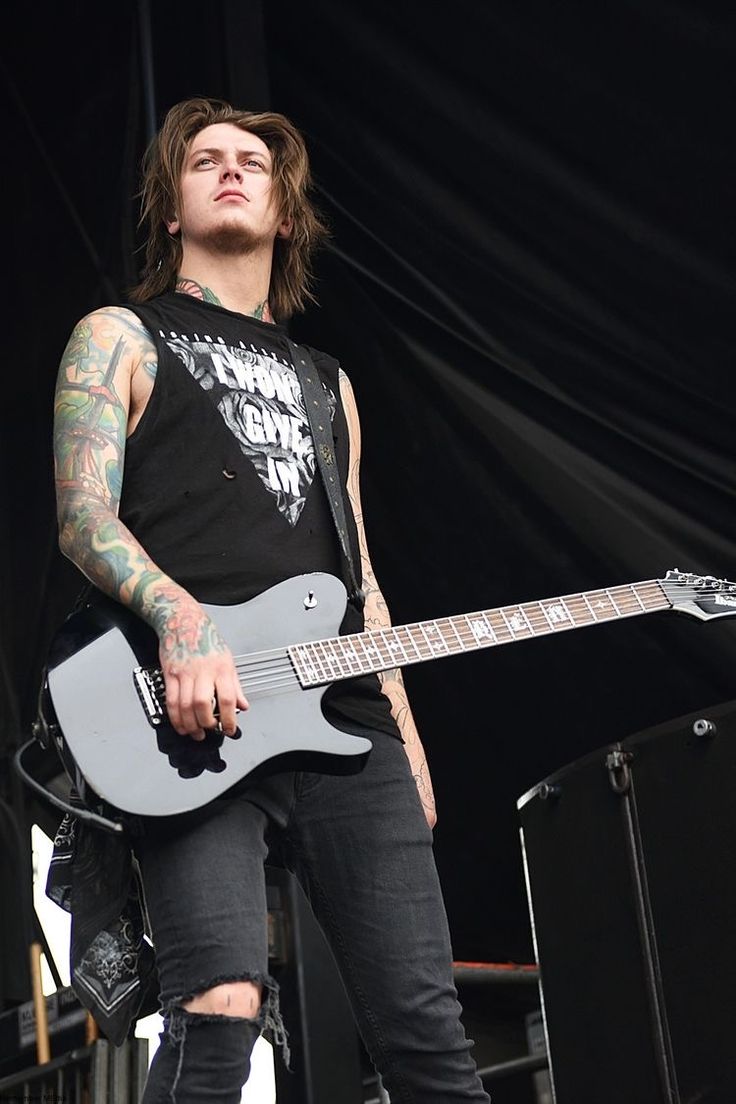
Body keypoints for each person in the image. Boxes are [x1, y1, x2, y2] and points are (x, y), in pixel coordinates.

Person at [49, 96, 490, 1103]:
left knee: (426, 1033)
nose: (232, 170)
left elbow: (360, 574)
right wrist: (181, 621)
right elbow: (82, 516)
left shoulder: (325, 382)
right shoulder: (118, 336)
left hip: (347, 722)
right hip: (193, 718)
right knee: (219, 1012)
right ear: (172, 207)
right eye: (205, 161)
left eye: (254, 162)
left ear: (287, 213)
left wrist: (408, 742)